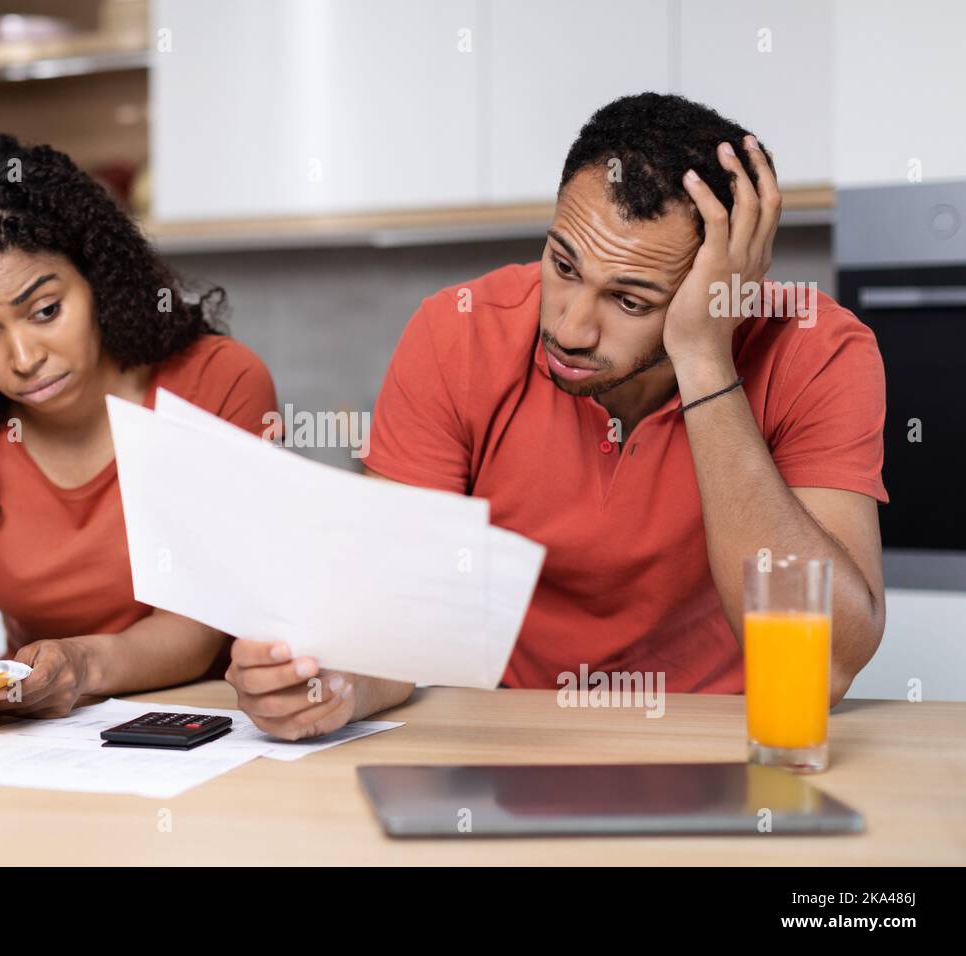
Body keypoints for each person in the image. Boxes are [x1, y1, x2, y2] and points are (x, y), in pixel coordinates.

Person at [226, 93, 886, 739]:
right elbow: (394, 624)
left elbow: (824, 665)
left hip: (721, 741)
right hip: (508, 737)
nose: (569, 328)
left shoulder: (818, 351)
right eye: (563, 265)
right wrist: (330, 685)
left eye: (631, 302)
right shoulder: (456, 333)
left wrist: (706, 360)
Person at [0, 134, 277, 717]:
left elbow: (196, 636)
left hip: (206, 726)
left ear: (97, 277)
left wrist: (78, 667)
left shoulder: (218, 383)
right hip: (36, 736)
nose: (23, 358)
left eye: (45, 311)